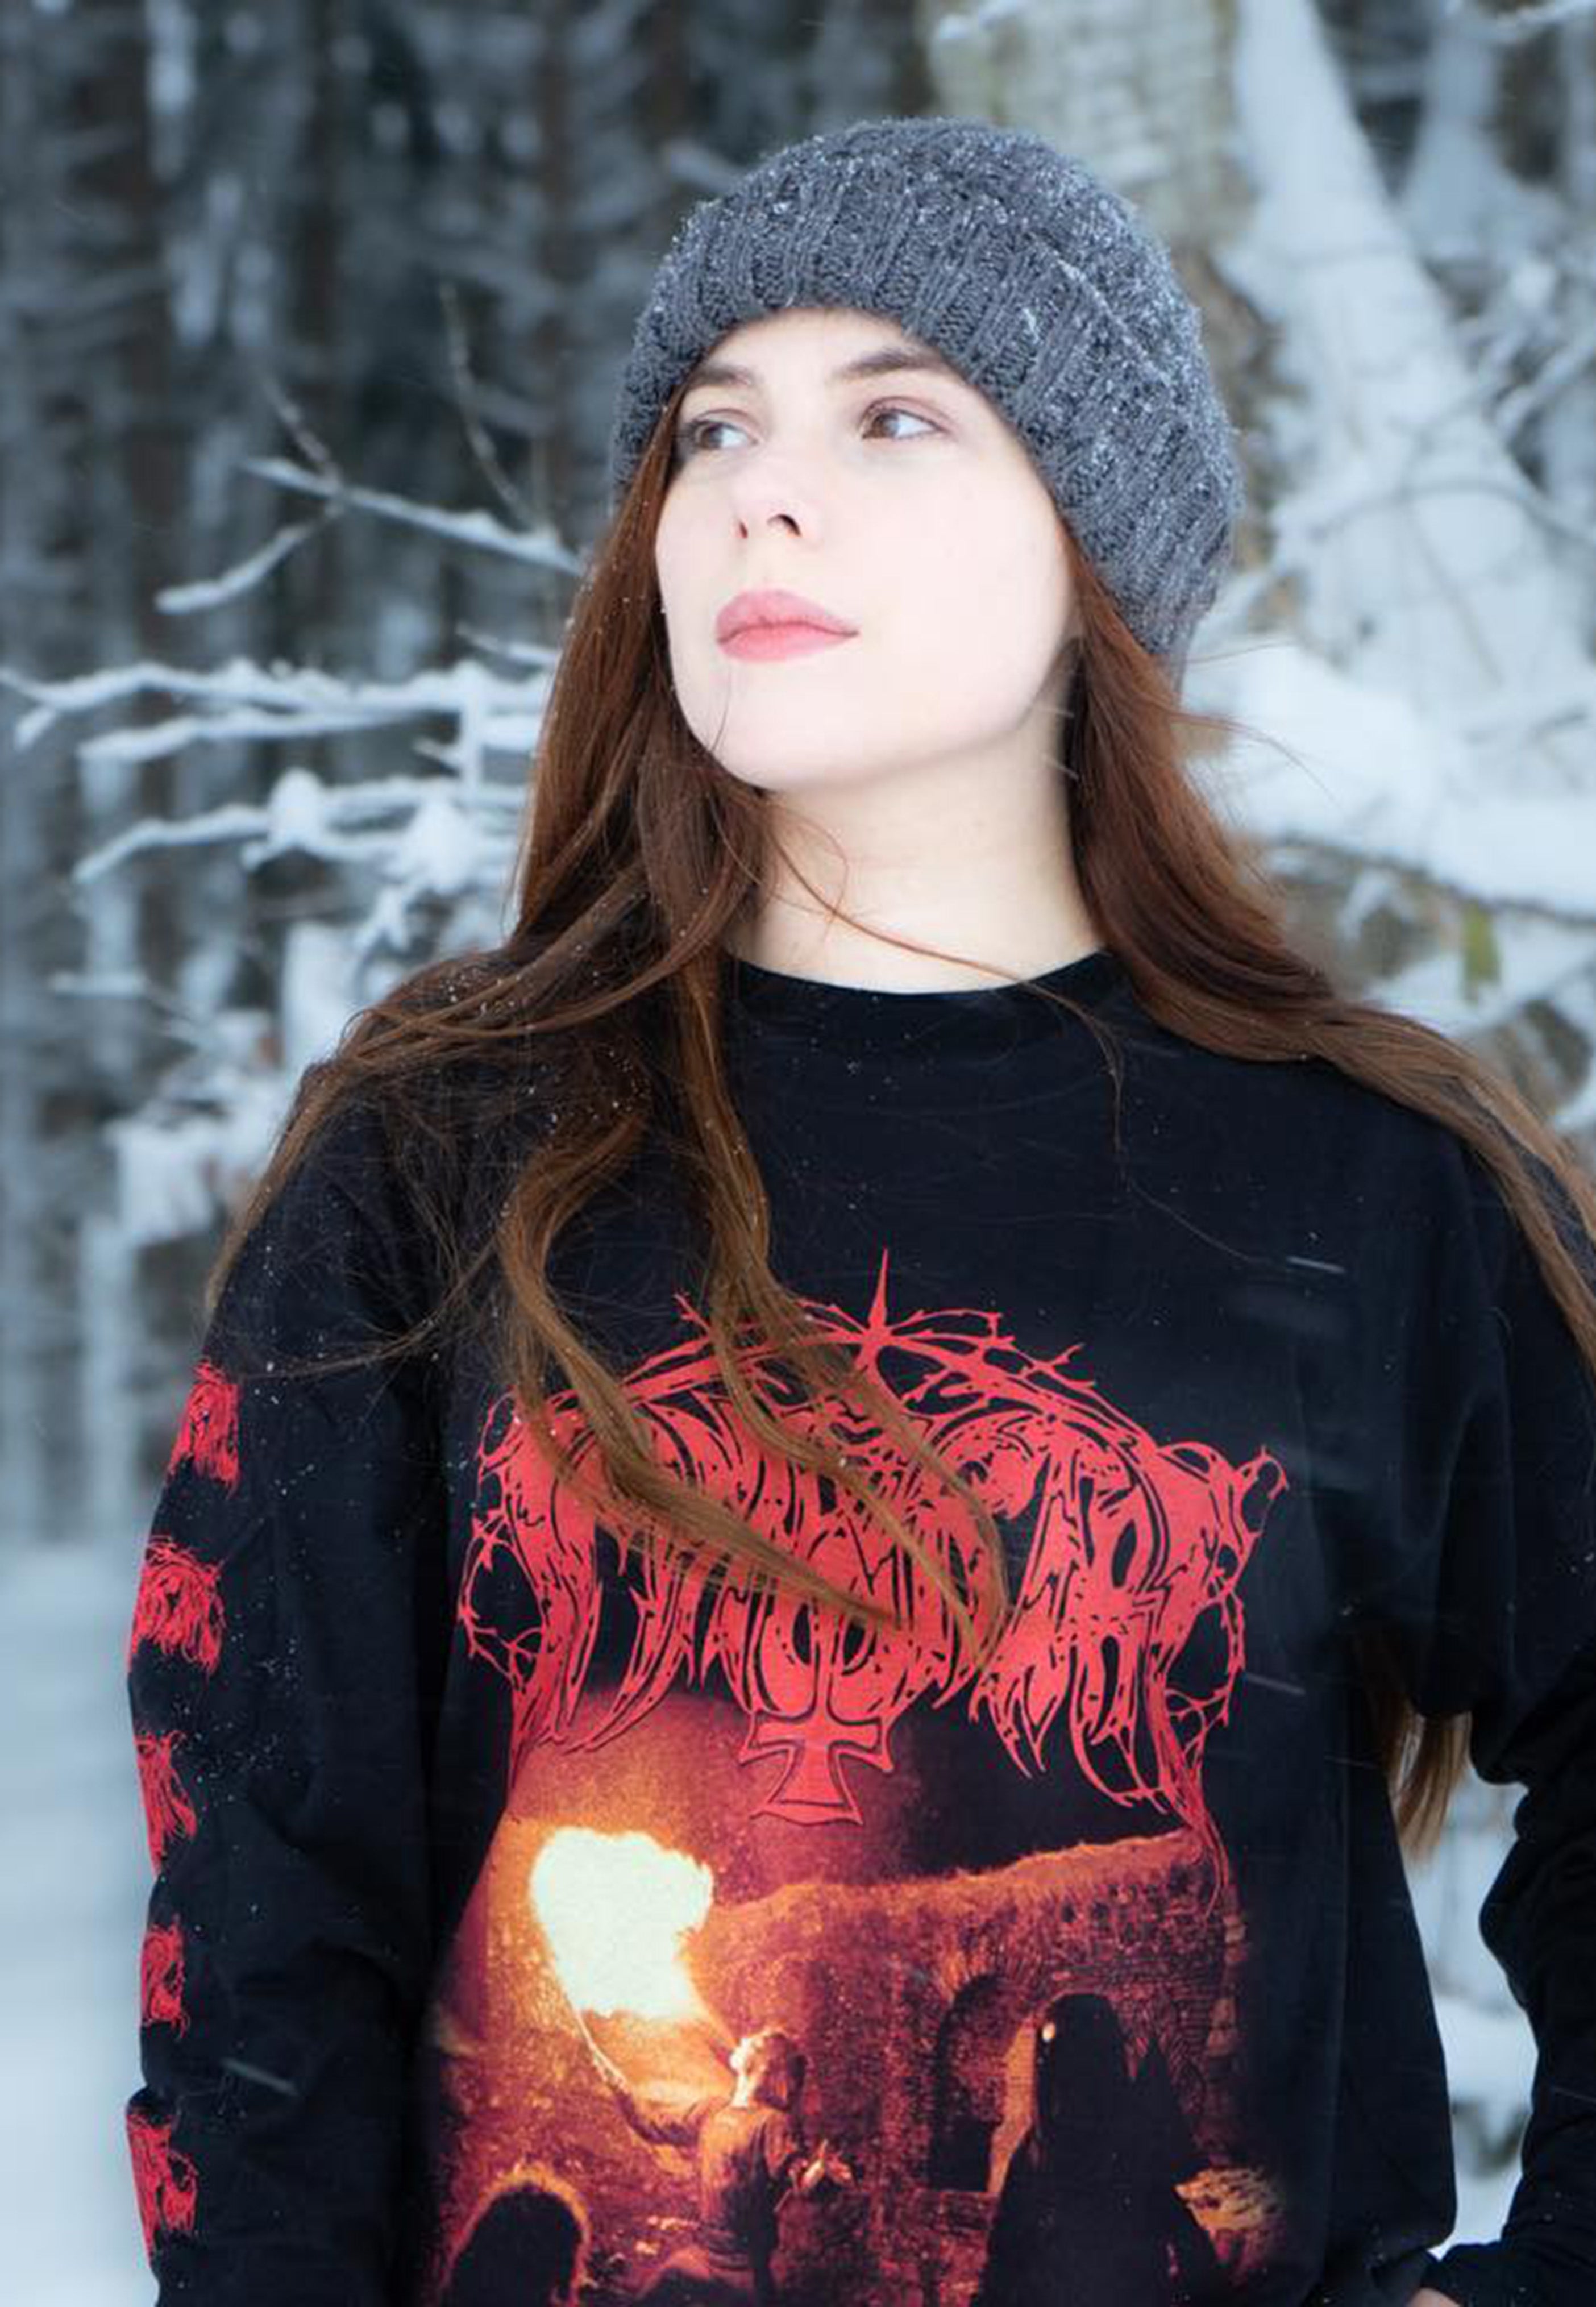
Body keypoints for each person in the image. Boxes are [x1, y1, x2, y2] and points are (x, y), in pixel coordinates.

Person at [122, 113, 1596, 2307]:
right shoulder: (445, 1153)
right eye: (714, 427)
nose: (761, 491)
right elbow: (266, 1908)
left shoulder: (1368, 1185)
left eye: (895, 415)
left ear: (1095, 544)